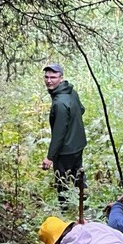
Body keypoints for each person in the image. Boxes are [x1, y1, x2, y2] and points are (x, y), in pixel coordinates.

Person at [41, 63, 87, 208]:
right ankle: (84, 207)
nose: (49, 80)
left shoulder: (60, 103)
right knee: (78, 176)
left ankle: (65, 211)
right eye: (46, 77)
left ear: (61, 78)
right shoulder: (71, 92)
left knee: (62, 182)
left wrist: (49, 157)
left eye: (53, 77)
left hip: (65, 150)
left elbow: (59, 134)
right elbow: (81, 109)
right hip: (78, 144)